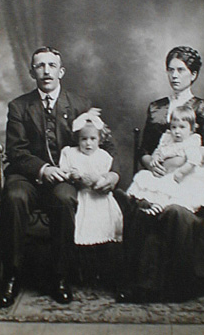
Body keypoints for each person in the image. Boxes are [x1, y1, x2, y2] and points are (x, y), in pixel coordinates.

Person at [0, 46, 119, 308]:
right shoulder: (19, 106)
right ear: (32, 72)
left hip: (66, 178)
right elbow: (16, 151)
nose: (46, 71)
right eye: (40, 66)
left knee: (64, 200)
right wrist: (43, 169)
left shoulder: (80, 105)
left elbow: (104, 143)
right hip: (27, 175)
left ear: (61, 71)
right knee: (14, 197)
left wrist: (112, 174)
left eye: (51, 65)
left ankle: (60, 276)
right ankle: (11, 277)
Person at [116, 46, 204, 303]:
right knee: (142, 204)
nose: (174, 75)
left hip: (187, 178)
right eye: (171, 69)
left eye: (181, 70)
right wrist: (150, 163)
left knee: (173, 211)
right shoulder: (156, 107)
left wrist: (181, 163)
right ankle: (140, 281)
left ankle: (158, 285)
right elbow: (145, 149)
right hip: (159, 173)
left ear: (193, 75)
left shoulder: (200, 106)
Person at [59, 112, 126, 294]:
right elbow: (64, 171)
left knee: (105, 229)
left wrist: (98, 179)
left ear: (99, 139)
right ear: (77, 139)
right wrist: (73, 176)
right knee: (82, 231)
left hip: (100, 198)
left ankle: (106, 274)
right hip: (83, 196)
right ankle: (83, 272)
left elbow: (105, 177)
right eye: (84, 139)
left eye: (92, 139)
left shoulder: (103, 156)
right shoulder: (70, 153)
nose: (88, 144)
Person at [127, 105, 204, 215]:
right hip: (165, 172)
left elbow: (194, 159)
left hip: (182, 176)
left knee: (168, 185)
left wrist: (181, 172)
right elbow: (159, 150)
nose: (177, 131)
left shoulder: (191, 142)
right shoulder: (168, 138)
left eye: (182, 127)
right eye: (174, 127)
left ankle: (158, 207)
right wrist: (155, 157)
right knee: (144, 176)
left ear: (192, 129)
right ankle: (130, 200)